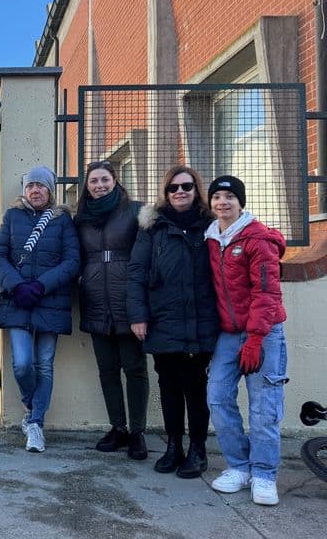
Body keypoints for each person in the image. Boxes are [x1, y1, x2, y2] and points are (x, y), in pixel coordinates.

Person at [127, 165, 219, 478]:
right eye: (174, 188)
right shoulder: (152, 226)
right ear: (166, 193)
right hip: (162, 317)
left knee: (195, 386)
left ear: (197, 190)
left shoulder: (212, 224)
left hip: (199, 318)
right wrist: (138, 315)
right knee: (168, 384)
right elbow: (137, 271)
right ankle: (173, 446)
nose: (180, 192)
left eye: (187, 187)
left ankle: (198, 449)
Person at [205, 176, 288, 506]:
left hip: (263, 333)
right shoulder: (212, 238)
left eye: (229, 197)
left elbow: (267, 292)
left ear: (241, 202)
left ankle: (265, 474)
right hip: (228, 333)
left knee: (264, 406)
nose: (222, 202)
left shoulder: (257, 239)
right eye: (217, 197)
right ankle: (239, 467)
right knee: (217, 396)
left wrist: (255, 338)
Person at [0, 165, 80, 453]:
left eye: (41, 186)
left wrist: (41, 286)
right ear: (24, 190)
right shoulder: (12, 216)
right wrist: (17, 285)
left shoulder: (63, 220)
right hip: (17, 300)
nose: (35, 190)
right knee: (21, 363)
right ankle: (32, 406)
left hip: (50, 301)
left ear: (50, 191)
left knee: (45, 364)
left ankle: (36, 425)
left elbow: (72, 261)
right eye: (30, 186)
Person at [75, 161, 148, 459]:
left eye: (104, 179)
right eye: (94, 181)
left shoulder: (134, 211)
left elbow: (145, 258)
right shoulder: (80, 218)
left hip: (127, 301)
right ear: (87, 185)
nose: (99, 185)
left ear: (115, 181)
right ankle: (117, 427)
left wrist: (140, 307)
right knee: (107, 370)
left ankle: (137, 432)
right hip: (95, 302)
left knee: (135, 368)